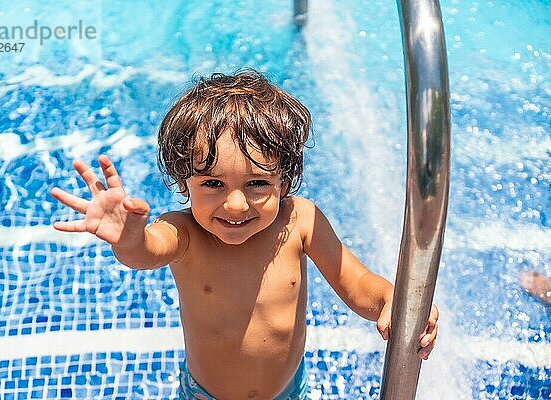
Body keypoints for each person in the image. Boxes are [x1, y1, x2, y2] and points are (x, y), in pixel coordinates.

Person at [51, 70, 439, 399]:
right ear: (185, 184)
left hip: (289, 391)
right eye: (213, 183)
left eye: (256, 183)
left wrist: (395, 300)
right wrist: (128, 237)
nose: (235, 205)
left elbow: (357, 285)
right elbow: (144, 253)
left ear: (284, 181)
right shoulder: (183, 231)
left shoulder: (300, 221)